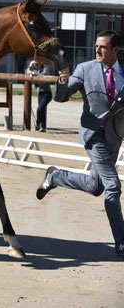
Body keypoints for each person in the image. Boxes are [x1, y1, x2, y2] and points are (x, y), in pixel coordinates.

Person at [36, 30, 124, 257]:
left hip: (114, 138)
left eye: (102, 47)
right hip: (93, 136)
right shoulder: (85, 69)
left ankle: (55, 176)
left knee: (97, 187)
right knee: (113, 186)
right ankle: (121, 242)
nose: (97, 50)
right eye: (96, 46)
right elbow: (63, 96)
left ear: (115, 50)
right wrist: (62, 81)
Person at [26, 60, 56, 132]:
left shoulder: (45, 69)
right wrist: (30, 64)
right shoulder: (36, 70)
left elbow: (42, 78)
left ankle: (38, 123)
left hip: (47, 93)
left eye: (37, 63)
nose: (36, 65)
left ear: (41, 63)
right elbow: (28, 72)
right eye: (35, 64)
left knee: (39, 109)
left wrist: (33, 74)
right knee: (42, 110)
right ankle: (43, 127)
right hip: (40, 93)